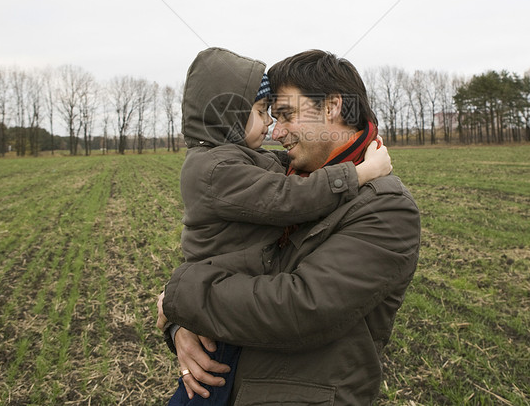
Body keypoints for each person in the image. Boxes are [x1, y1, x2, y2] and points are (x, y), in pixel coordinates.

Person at [159, 49, 421, 405]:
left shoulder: (385, 206)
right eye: (268, 114)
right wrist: (183, 327)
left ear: (331, 107)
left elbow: (300, 308)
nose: (275, 130)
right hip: (225, 385)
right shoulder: (286, 179)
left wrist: (179, 300)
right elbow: (225, 256)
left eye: (285, 114)